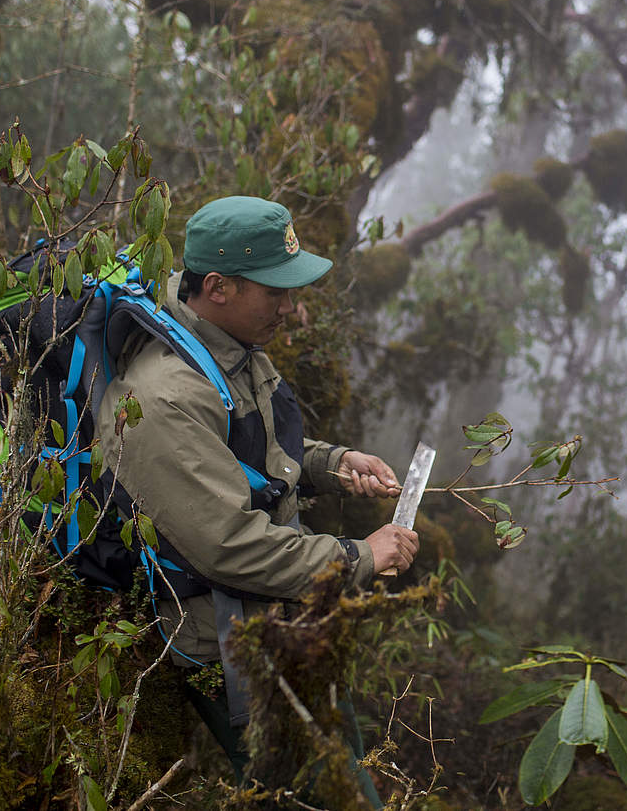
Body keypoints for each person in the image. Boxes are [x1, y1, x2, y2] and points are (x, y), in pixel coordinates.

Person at [96, 195, 419, 799]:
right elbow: (228, 546)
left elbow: (246, 448)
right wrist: (356, 557)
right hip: (230, 641)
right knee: (319, 795)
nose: (292, 309)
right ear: (217, 286)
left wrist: (332, 464)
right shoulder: (164, 397)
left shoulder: (225, 344)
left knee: (344, 769)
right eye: (276, 291)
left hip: (279, 610)